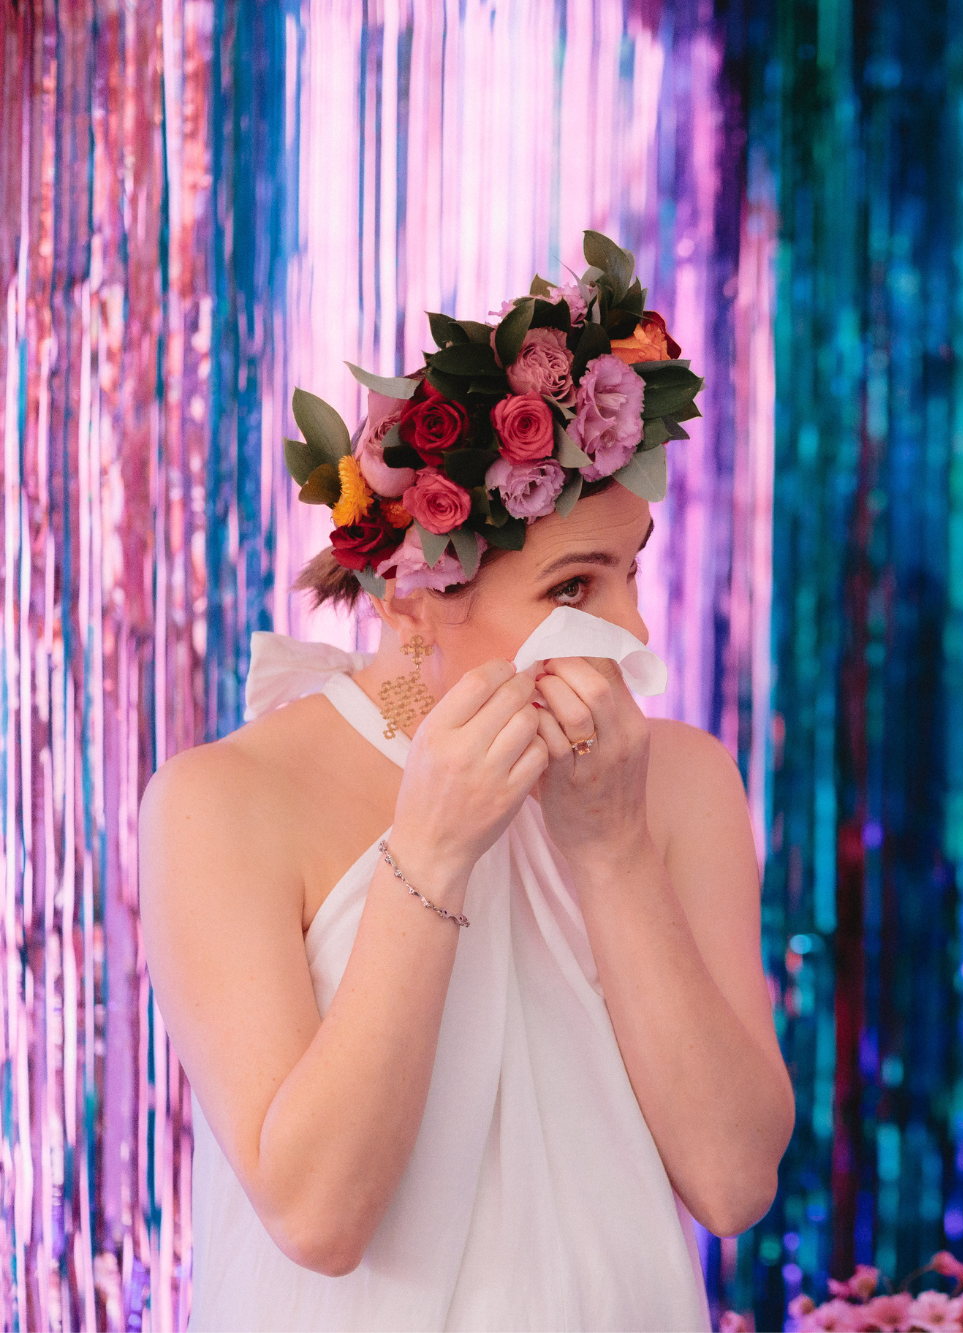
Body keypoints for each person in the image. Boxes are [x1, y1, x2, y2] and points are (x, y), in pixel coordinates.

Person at [140, 241, 793, 1329]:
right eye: (573, 585)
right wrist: (431, 852)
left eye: (631, 566)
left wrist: (613, 848)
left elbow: (733, 1183)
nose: (629, 628)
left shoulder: (680, 783)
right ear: (410, 595)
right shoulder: (225, 802)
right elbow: (317, 1216)